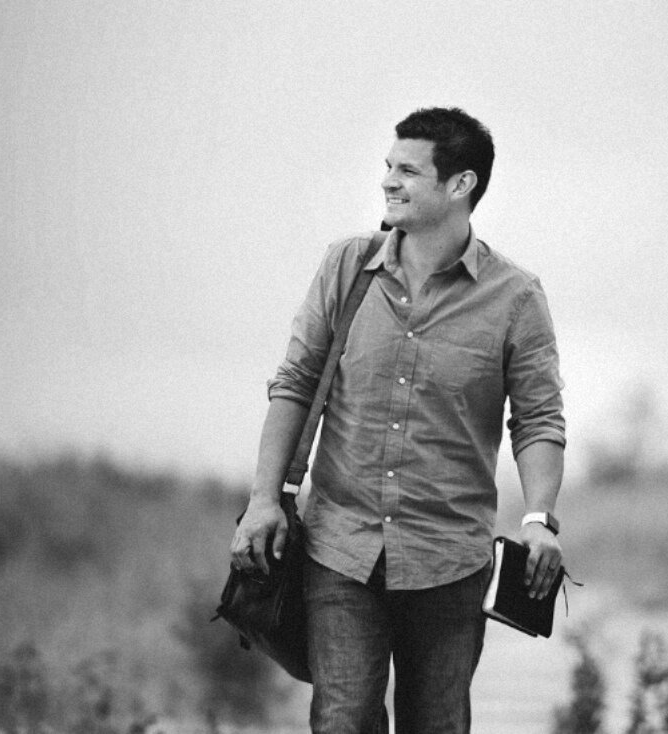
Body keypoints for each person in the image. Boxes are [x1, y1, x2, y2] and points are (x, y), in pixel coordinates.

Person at [230, 107, 566, 734]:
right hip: (341, 549)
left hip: (450, 561)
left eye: (407, 171)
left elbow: (539, 419)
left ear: (460, 184)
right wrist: (263, 499)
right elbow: (295, 382)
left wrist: (539, 519)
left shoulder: (516, 297)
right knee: (343, 721)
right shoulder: (346, 266)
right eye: (388, 166)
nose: (388, 180)